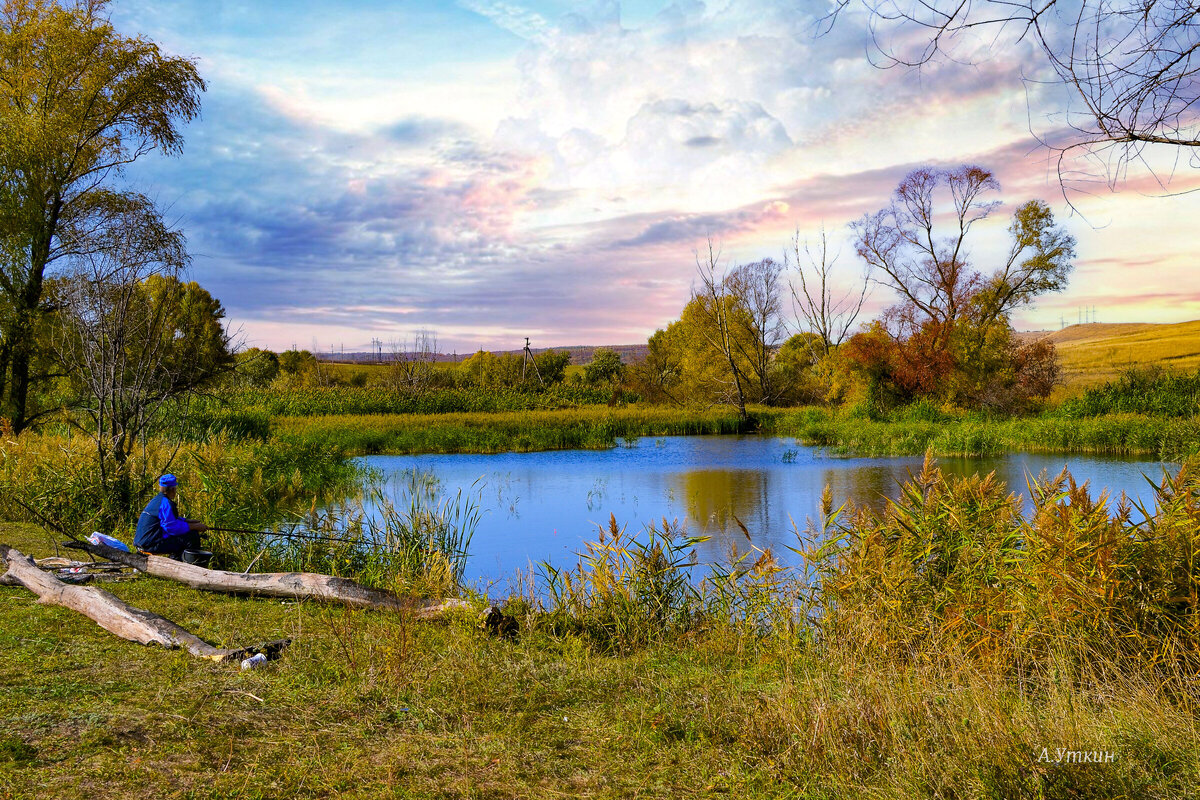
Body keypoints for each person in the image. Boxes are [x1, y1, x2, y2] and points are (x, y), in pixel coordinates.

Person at [134, 474, 209, 557]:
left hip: (144, 543)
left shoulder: (157, 500)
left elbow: (168, 520)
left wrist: (186, 521)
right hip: (150, 545)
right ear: (172, 489)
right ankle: (188, 564)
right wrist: (194, 527)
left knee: (185, 534)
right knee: (191, 536)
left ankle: (177, 560)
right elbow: (171, 528)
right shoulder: (165, 503)